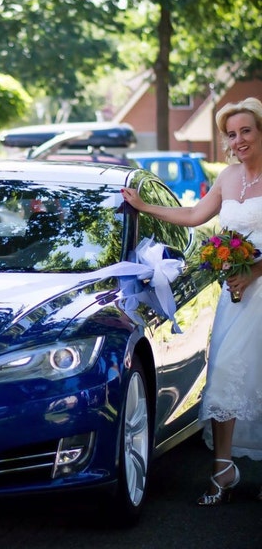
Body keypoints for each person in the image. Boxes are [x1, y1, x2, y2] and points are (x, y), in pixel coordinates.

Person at [121, 97, 262, 506]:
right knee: (223, 374)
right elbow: (196, 216)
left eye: (246, 131)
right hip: (236, 299)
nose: (237, 141)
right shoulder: (229, 178)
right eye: (231, 135)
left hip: (258, 284)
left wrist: (254, 271)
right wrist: (144, 206)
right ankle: (223, 470)